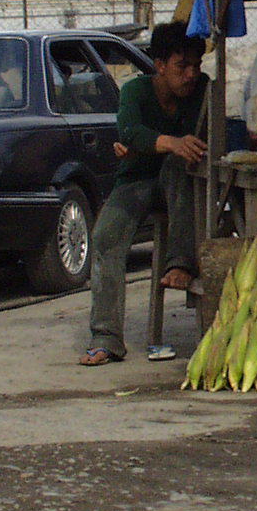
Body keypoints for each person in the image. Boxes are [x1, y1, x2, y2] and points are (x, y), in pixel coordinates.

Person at [81, 21, 208, 367]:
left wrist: (173, 147)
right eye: (182, 66)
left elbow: (205, 137)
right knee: (105, 238)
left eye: (196, 65)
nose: (192, 74)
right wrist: (170, 142)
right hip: (135, 182)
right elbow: (130, 131)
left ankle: (180, 263)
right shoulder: (135, 91)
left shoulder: (203, 90)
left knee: (179, 165)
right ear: (160, 65)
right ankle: (106, 337)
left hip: (182, 186)